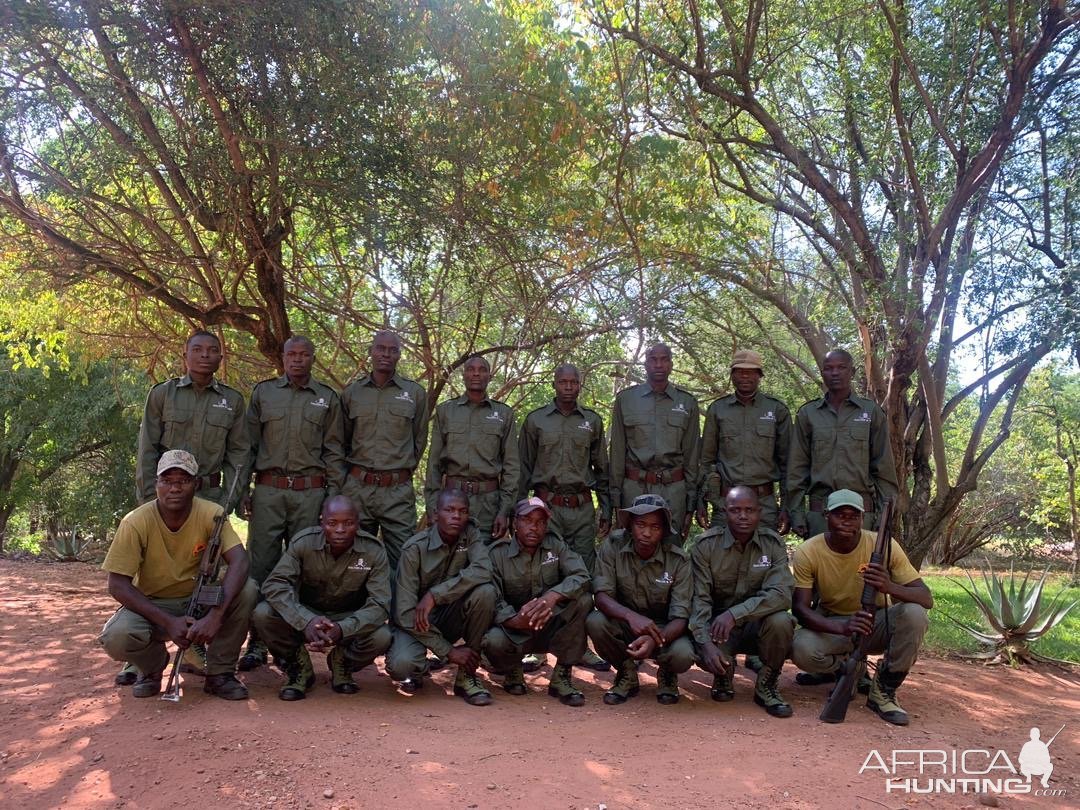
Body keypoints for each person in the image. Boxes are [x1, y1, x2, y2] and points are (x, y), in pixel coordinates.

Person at [122, 330, 248, 686]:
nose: (205, 356)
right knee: (149, 573)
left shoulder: (232, 401)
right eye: (198, 349)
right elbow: (147, 448)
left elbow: (239, 454)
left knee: (208, 574)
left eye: (213, 351)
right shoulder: (162, 394)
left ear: (221, 357)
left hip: (209, 499)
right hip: (165, 496)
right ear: (185, 354)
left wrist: (228, 501)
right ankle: (139, 656)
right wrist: (150, 498)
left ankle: (200, 647)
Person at [98, 450, 256, 700]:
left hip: (199, 599)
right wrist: (168, 622)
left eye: (183, 480)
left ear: (196, 484)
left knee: (248, 590)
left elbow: (239, 561)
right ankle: (151, 669)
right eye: (167, 481)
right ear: (156, 484)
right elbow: (117, 585)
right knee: (117, 636)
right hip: (152, 604)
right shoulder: (135, 522)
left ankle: (220, 673)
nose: (174, 488)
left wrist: (215, 615)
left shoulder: (212, 513)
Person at [238, 335, 347, 670]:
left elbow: (334, 452)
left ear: (313, 358)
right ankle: (256, 642)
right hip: (269, 492)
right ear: (282, 358)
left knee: (303, 569)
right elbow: (247, 446)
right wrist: (242, 488)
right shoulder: (263, 393)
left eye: (304, 354)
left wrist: (331, 499)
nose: (297, 360)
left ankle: (294, 643)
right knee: (261, 567)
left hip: (310, 493)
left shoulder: (327, 398)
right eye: (291, 354)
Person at [791, 489, 933, 726]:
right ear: (826, 516)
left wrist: (888, 586)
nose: (847, 520)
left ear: (862, 518)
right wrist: (844, 628)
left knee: (915, 614)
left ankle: (884, 689)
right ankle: (848, 669)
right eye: (839, 514)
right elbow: (800, 609)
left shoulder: (884, 546)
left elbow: (925, 598)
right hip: (836, 625)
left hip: (873, 622)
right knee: (801, 648)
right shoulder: (808, 551)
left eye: (853, 515)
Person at [516, 362, 611, 672]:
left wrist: (606, 509)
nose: (568, 386)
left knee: (582, 575)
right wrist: (519, 511)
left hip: (583, 508)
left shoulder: (593, 422)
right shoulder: (536, 420)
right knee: (544, 573)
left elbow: (603, 471)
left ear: (580, 385)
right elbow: (523, 470)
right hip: (547, 508)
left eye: (574, 382)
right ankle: (538, 648)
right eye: (563, 381)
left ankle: (579, 647)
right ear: (554, 384)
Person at [253, 495, 392, 700]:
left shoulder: (373, 551)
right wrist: (306, 620)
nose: (340, 530)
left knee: (383, 635)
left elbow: (380, 604)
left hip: (347, 617)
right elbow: (275, 584)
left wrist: (343, 628)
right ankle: (298, 668)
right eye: (332, 523)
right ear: (322, 522)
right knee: (263, 613)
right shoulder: (304, 543)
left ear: (358, 523)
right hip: (307, 614)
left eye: (348, 523)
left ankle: (342, 662)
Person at [690, 486, 795, 718]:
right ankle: (723, 675)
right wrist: (704, 644)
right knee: (705, 647)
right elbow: (699, 601)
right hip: (720, 629)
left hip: (757, 625)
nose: (743, 516)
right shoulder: (705, 546)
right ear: (724, 512)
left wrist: (735, 614)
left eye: (749, 510)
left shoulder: (772, 544)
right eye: (735, 510)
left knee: (781, 621)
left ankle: (767, 684)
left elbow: (782, 593)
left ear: (760, 512)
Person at [386, 489, 497, 706]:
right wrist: (449, 651)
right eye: (450, 510)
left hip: (449, 616)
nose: (456, 516)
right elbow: (405, 613)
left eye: (463, 511)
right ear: (435, 515)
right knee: (402, 665)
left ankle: (467, 675)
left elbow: (484, 570)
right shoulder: (414, 549)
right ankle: (420, 669)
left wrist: (435, 595)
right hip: (416, 623)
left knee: (486, 592)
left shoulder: (470, 535)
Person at [483, 497, 592, 706]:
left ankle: (562, 677)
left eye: (541, 522)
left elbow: (582, 576)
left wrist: (551, 597)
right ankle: (513, 672)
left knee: (584, 600)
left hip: (548, 626)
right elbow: (491, 597)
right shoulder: (497, 554)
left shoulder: (556, 546)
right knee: (493, 640)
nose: (534, 527)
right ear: (515, 523)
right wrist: (514, 620)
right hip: (515, 630)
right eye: (527, 520)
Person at [587, 494, 694, 705]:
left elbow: (681, 617)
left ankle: (667, 675)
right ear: (629, 525)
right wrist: (631, 617)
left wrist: (655, 638)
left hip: (664, 629)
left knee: (683, 654)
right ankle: (626, 673)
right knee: (595, 622)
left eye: (655, 527)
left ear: (663, 531)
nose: (646, 533)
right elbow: (601, 596)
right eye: (640, 524)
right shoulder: (613, 546)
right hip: (626, 624)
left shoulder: (679, 560)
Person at [787, 349, 898, 539]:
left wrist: (884, 515)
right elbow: (797, 469)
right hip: (820, 514)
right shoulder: (808, 414)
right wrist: (796, 513)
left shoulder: (871, 412)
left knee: (861, 568)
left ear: (852, 372)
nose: (835, 373)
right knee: (820, 568)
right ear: (822, 373)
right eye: (829, 369)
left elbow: (884, 470)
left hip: (862, 513)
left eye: (841, 368)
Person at [341, 330, 428, 571]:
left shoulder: (415, 394)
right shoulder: (352, 393)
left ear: (399, 355)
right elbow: (342, 441)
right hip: (358, 489)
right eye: (380, 348)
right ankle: (357, 609)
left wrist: (399, 471)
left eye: (392, 350)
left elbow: (419, 440)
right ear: (371, 352)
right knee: (353, 558)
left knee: (404, 559)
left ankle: (400, 609)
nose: (386, 354)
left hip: (397, 492)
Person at [424, 354, 519, 545]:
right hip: (452, 500)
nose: (476, 374)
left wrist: (504, 510)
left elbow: (512, 467)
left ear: (490, 376)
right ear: (463, 375)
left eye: (482, 370)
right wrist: (432, 505)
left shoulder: (503, 414)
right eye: (471, 369)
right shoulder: (446, 411)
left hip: (488, 504)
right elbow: (434, 464)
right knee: (446, 559)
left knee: (485, 561)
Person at [609, 344, 700, 539]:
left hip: (674, 490)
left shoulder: (687, 403)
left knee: (671, 548)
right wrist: (615, 499)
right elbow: (616, 452)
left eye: (664, 359)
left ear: (671, 364)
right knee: (631, 548)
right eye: (653, 359)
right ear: (645, 363)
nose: (658, 364)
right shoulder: (626, 400)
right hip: (634, 486)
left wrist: (691, 501)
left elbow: (692, 456)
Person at [697, 349, 790, 534]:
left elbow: (788, 464)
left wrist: (788, 506)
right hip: (725, 503)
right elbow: (706, 461)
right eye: (739, 371)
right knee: (721, 559)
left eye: (751, 371)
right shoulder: (718, 410)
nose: (745, 375)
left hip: (764, 505)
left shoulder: (776, 409)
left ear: (759, 375)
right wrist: (700, 501)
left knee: (764, 558)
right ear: (732, 375)